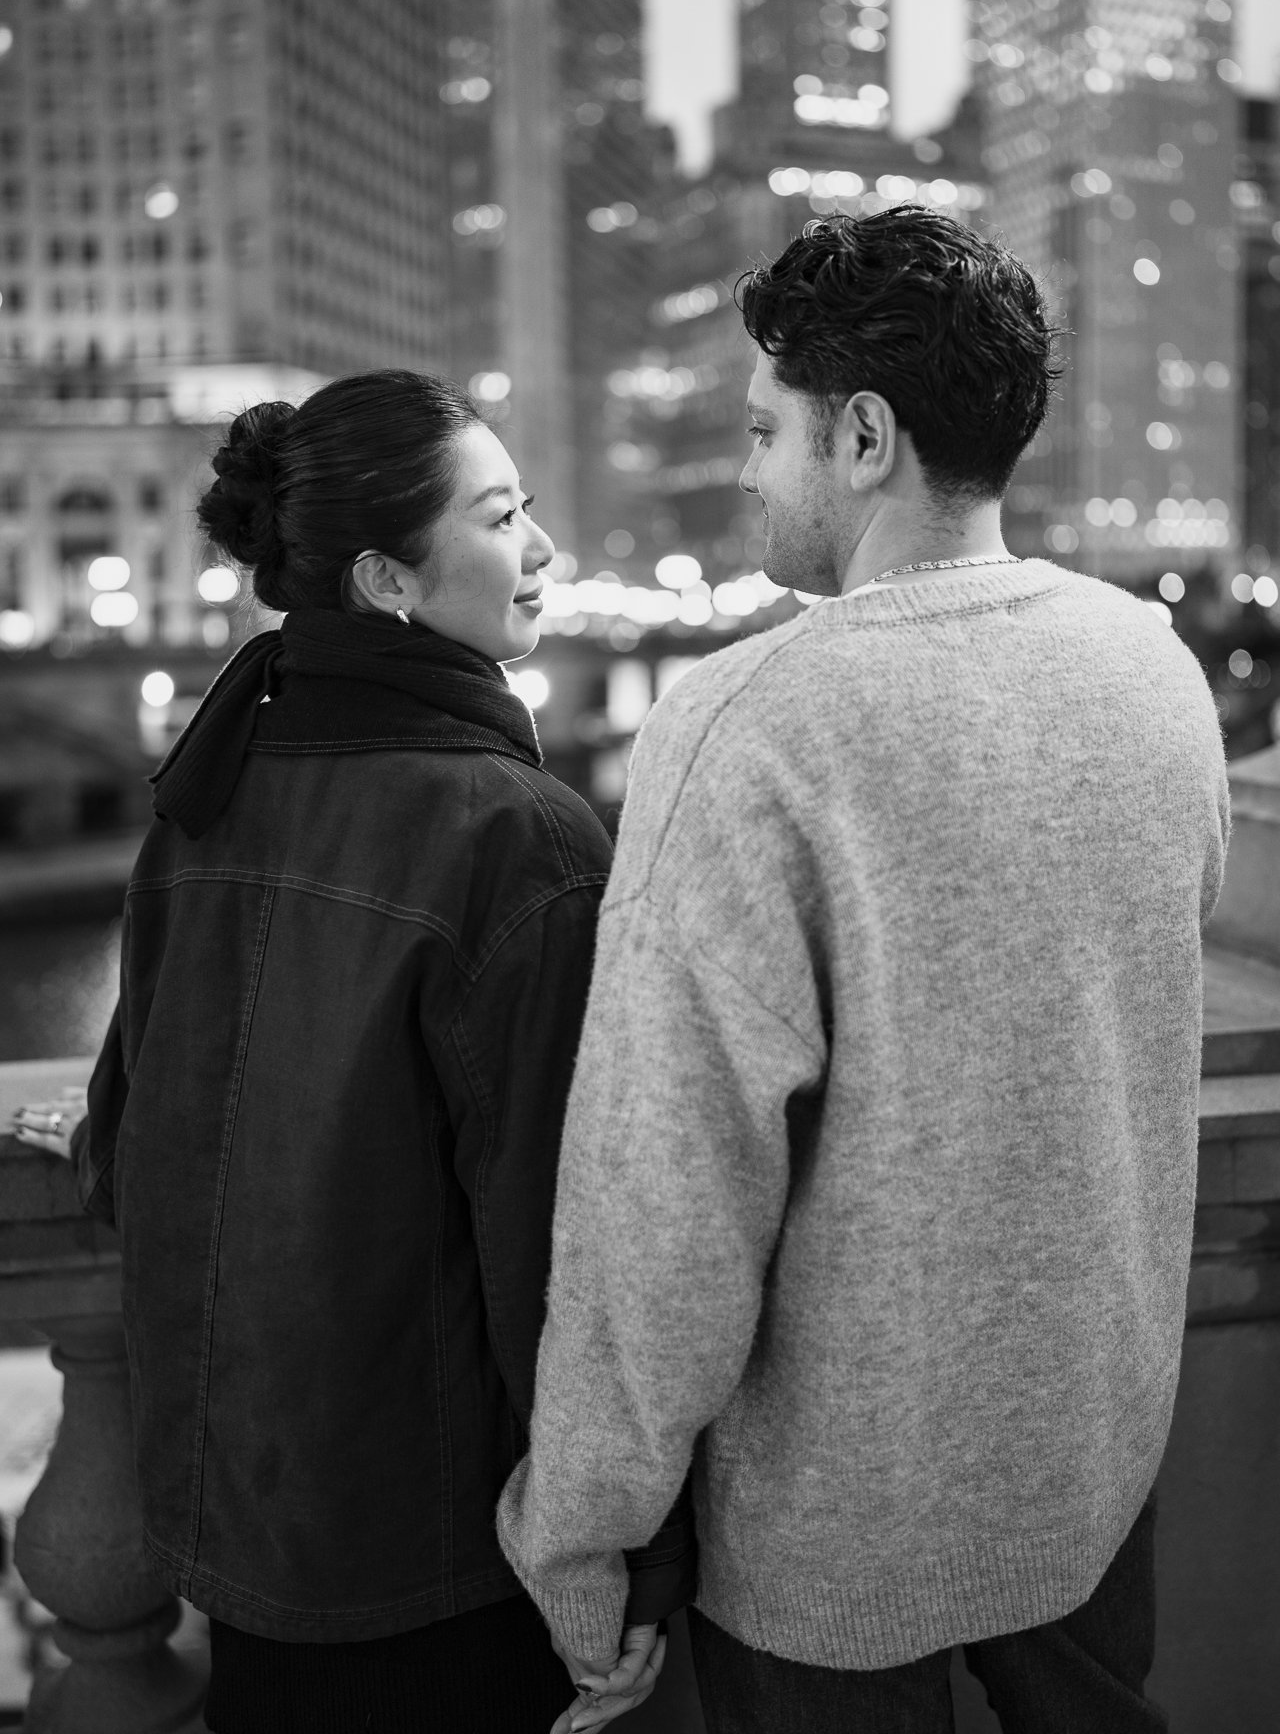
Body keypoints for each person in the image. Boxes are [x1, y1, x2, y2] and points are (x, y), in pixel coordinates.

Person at [497, 208, 1230, 1733]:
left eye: (767, 430)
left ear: (866, 437)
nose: (750, 470)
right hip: (1093, 1463)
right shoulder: (1152, 674)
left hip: (836, 1537)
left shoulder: (750, 720)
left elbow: (664, 1197)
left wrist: (580, 1531)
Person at [14, 369, 690, 1734]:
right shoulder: (517, 838)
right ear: (385, 581)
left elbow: (135, 1141)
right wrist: (622, 1560)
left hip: (240, 1528)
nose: (544, 548)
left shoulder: (209, 799)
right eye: (499, 518)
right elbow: (563, 1253)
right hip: (437, 1560)